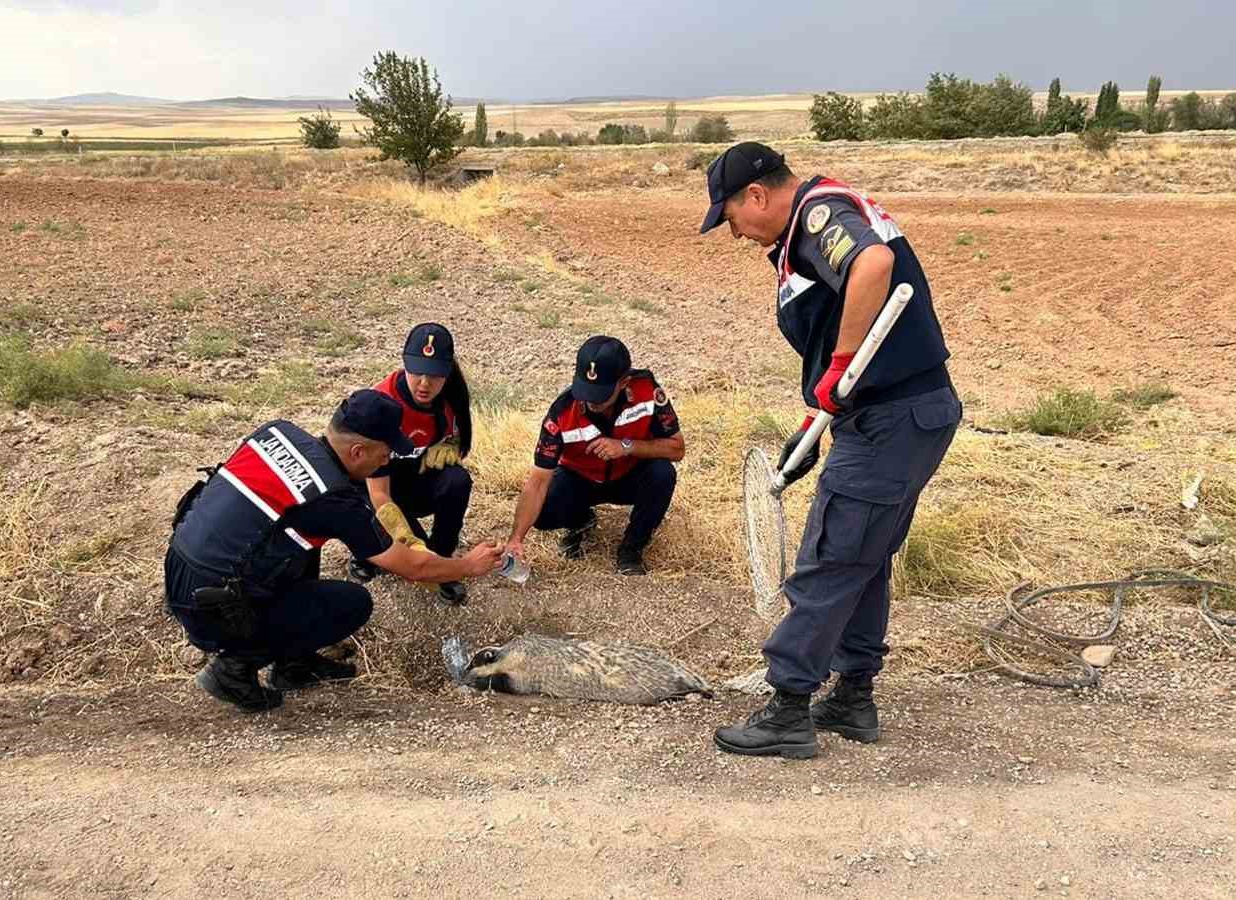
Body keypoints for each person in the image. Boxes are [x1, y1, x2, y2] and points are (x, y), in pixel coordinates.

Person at [700, 142, 962, 759]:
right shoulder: (802, 234)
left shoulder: (820, 214)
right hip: (895, 414)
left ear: (757, 195)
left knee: (831, 555)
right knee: (864, 557)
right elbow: (839, 337)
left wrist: (842, 368)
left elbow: (872, 267)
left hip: (892, 417)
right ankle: (853, 696)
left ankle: (788, 706)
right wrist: (819, 412)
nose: (735, 233)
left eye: (732, 217)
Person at [165, 389, 503, 712]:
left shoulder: (277, 433)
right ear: (357, 452)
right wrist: (468, 566)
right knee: (352, 604)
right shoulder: (335, 499)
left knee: (300, 536)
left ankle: (294, 663)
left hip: (183, 572)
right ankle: (233, 669)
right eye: (384, 455)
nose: (387, 461)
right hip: (215, 610)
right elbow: (413, 568)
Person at [504, 336, 685, 577]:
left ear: (624, 382)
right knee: (544, 511)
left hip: (629, 476)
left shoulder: (647, 390)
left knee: (663, 473)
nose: (590, 401)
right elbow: (537, 482)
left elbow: (677, 449)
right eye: (585, 390)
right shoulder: (560, 413)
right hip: (580, 480)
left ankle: (631, 549)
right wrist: (516, 538)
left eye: (600, 394)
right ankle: (581, 520)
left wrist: (627, 445)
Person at [347, 323, 476, 606]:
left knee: (457, 480)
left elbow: (459, 444)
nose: (424, 383)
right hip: (374, 488)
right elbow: (378, 493)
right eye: (417, 371)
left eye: (435, 375)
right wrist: (405, 538)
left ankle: (442, 561)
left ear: (447, 373)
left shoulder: (449, 402)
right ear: (405, 363)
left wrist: (451, 446)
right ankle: (369, 552)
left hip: (412, 482)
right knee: (402, 548)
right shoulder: (382, 405)